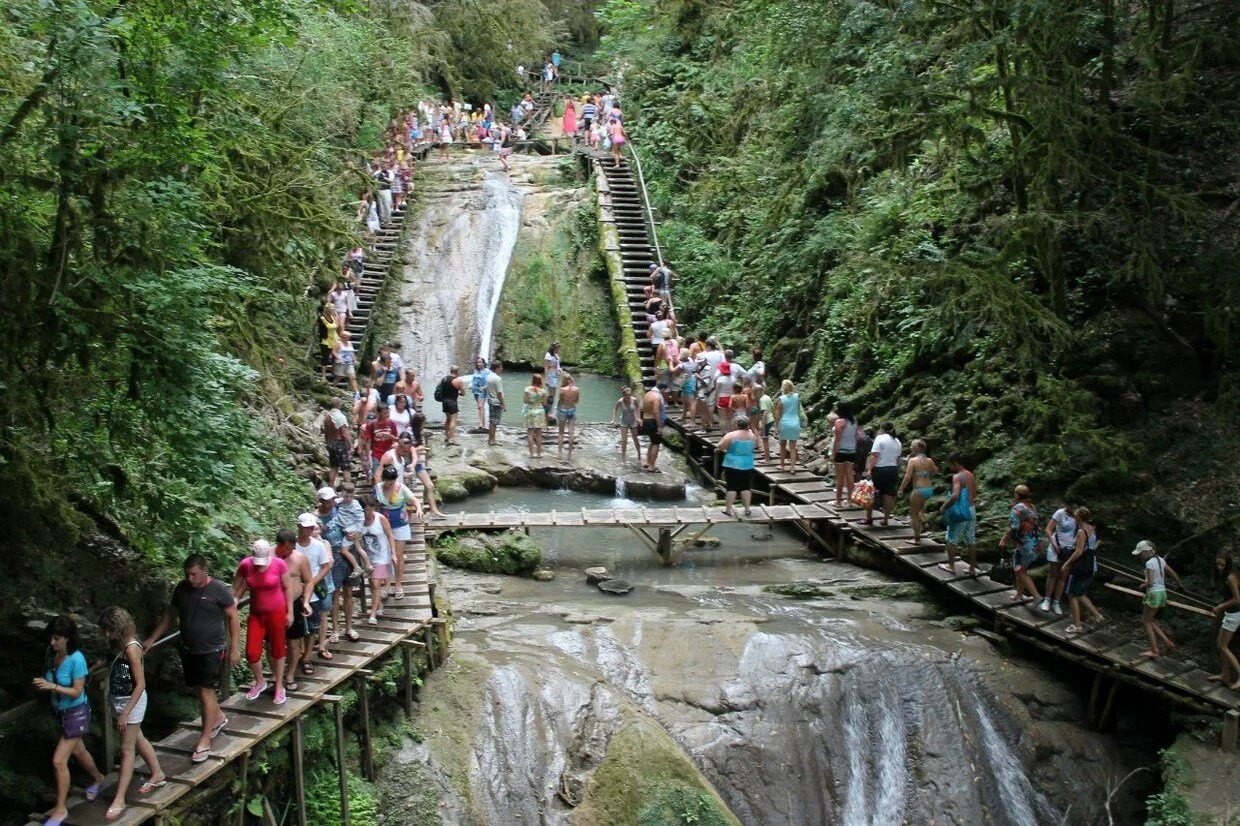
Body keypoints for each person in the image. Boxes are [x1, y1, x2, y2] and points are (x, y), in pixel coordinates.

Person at [144, 555, 239, 764]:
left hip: (211, 650)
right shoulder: (182, 589)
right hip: (188, 649)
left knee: (206, 691)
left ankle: (204, 740)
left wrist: (234, 649)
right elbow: (170, 615)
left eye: (194, 574)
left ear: (204, 571)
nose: (190, 578)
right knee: (197, 688)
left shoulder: (219, 590)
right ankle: (219, 717)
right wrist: (152, 639)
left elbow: (233, 618)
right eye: (187, 574)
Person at [34, 616, 106, 826]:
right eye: (51, 638)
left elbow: (76, 691)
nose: (52, 642)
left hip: (77, 714)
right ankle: (99, 778)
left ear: (68, 639)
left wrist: (52, 687)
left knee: (59, 761)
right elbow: (51, 677)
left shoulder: (77, 659)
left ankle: (60, 809)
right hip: (60, 712)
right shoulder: (51, 654)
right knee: (79, 752)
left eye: (57, 639)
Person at [97, 607, 164, 821]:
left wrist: (126, 713)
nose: (106, 634)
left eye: (109, 630)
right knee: (138, 739)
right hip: (118, 701)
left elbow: (140, 684)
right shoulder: (115, 644)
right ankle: (158, 773)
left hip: (131, 703)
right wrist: (92, 671)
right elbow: (111, 663)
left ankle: (120, 799)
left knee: (126, 750)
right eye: (104, 631)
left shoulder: (131, 648)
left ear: (119, 628)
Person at [231, 540, 290, 705]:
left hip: (277, 611)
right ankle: (260, 681)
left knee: (278, 650)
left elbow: (287, 588)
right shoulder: (245, 565)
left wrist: (290, 612)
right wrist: (234, 599)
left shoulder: (279, 564)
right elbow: (237, 584)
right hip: (256, 614)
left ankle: (279, 686)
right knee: (251, 652)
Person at [317, 488, 362, 644]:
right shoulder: (316, 518)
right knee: (335, 594)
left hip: (348, 551)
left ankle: (349, 627)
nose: (331, 503)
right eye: (327, 501)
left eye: (332, 500)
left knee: (348, 591)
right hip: (332, 557)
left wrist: (355, 533)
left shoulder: (340, 507)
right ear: (321, 501)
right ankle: (335, 629)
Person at [273, 529, 313, 693]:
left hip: (294, 604)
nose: (288, 552)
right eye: (285, 549)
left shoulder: (299, 559)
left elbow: (309, 581)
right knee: (272, 642)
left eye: (290, 548)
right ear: (278, 545)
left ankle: (290, 675)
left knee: (293, 641)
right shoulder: (268, 556)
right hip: (273, 605)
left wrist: (306, 601)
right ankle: (276, 676)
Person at [294, 513, 334, 669]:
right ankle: (298, 654)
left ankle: (307, 657)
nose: (308, 531)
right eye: (305, 528)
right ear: (299, 527)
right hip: (295, 592)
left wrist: (312, 582)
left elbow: (325, 566)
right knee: (296, 627)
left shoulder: (318, 546)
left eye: (311, 528)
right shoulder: (293, 546)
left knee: (311, 627)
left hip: (314, 592)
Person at [375, 464, 421, 598]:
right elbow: (372, 505)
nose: (391, 484)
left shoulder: (401, 488)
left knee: (399, 555)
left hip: (400, 524)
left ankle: (398, 585)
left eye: (393, 481)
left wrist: (418, 508)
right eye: (388, 482)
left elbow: (414, 500)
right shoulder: (377, 489)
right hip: (383, 525)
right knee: (385, 555)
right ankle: (386, 584)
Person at [1134, 540, 1183, 659]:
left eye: (1141, 553)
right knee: (1150, 620)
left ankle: (1154, 651)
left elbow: (1150, 582)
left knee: (1146, 621)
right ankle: (1167, 642)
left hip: (1153, 594)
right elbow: (1173, 573)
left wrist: (1142, 585)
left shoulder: (1149, 563)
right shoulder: (1161, 560)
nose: (1140, 555)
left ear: (1148, 551)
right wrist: (1179, 585)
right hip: (1162, 593)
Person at [1062, 506, 1104, 634]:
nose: (1074, 518)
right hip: (1090, 565)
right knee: (1079, 593)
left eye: (1075, 516)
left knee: (1072, 594)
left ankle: (1077, 625)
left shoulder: (1081, 532)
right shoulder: (1091, 529)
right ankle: (1097, 616)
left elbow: (1079, 552)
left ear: (1078, 517)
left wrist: (1066, 564)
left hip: (1080, 567)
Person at [1000, 485, 1043, 604]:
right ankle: (1019, 594)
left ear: (1017, 495)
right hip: (1034, 542)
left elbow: (1014, 527)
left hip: (1024, 543)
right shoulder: (1032, 507)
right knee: (1019, 567)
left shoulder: (1018, 508)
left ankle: (1037, 596)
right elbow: (1037, 525)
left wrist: (1006, 540)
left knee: (1020, 571)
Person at [938, 454, 978, 576]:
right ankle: (972, 568)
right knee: (971, 538)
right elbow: (974, 492)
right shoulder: (970, 474)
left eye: (949, 464)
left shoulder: (957, 476)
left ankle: (951, 566)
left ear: (955, 463)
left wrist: (944, 507)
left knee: (952, 538)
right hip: (971, 509)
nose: (948, 467)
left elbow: (955, 495)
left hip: (961, 511)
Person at [1039, 498, 1079, 615]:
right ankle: (1047, 600)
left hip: (1069, 550)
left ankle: (1056, 602)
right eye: (1073, 507)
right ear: (1068, 506)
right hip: (1056, 546)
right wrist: (1055, 546)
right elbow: (1048, 530)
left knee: (1063, 576)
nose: (1074, 509)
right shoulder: (1060, 513)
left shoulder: (1078, 516)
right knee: (1053, 574)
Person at [361, 497, 397, 624]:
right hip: (367, 559)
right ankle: (380, 605)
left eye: (371, 510)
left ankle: (372, 614)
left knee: (376, 584)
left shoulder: (380, 518)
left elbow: (390, 535)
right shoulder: (359, 521)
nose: (368, 513)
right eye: (366, 510)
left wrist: (393, 553)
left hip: (382, 556)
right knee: (372, 584)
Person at [897, 439, 937, 544]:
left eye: (911, 446)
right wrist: (926, 475)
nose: (910, 447)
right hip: (928, 489)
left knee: (913, 514)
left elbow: (907, 477)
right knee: (919, 508)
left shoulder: (912, 461)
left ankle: (916, 539)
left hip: (918, 489)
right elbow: (936, 471)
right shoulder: (929, 460)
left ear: (916, 448)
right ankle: (924, 523)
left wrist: (901, 488)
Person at [863, 422, 902, 526]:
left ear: (881, 429)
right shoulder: (897, 441)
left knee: (871, 492)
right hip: (893, 469)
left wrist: (869, 470)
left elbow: (874, 455)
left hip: (880, 469)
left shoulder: (880, 438)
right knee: (889, 494)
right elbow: (898, 459)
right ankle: (885, 519)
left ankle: (869, 518)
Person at [1210, 553, 1240, 688]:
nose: (1220, 567)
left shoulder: (1230, 577)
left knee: (1223, 646)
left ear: (1228, 564)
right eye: (1218, 564)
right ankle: (1225, 674)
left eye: (1222, 565)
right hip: (1230, 614)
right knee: (1220, 645)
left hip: (1234, 614)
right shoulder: (1224, 577)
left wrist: (1221, 606)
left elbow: (1237, 599)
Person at [718, 416, 756, 517]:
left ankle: (728, 509)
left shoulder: (731, 435)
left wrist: (726, 450)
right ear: (747, 425)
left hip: (732, 463)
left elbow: (721, 446)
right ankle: (747, 509)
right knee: (746, 487)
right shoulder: (752, 435)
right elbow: (756, 445)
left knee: (731, 487)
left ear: (736, 425)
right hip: (747, 464)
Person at [773, 379, 807, 474]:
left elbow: (779, 414)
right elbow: (798, 410)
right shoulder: (797, 397)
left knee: (782, 445)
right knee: (793, 447)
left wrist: (776, 427)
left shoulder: (781, 399)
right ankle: (792, 467)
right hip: (795, 423)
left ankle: (782, 465)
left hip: (785, 423)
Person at [359, 403, 398, 480]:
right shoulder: (371, 425)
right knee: (376, 476)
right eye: (385, 413)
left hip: (389, 454)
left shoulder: (391, 423)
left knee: (390, 476)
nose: (387, 415)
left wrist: (390, 437)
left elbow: (397, 439)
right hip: (376, 454)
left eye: (388, 412)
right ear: (378, 413)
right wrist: (368, 456)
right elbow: (368, 441)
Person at [832, 401, 859, 506]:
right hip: (852, 450)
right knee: (850, 476)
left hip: (841, 451)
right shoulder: (854, 421)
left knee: (840, 477)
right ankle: (849, 501)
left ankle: (838, 501)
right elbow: (856, 437)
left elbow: (837, 439)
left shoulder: (839, 422)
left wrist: (833, 454)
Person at [322, 400, 351, 487]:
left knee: (333, 466)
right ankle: (348, 487)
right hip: (339, 443)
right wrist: (351, 445)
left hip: (330, 442)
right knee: (346, 467)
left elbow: (326, 433)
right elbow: (345, 433)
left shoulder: (327, 417)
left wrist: (327, 443)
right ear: (339, 405)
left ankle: (331, 486)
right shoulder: (340, 417)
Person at [611, 385, 642, 464]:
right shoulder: (620, 401)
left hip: (633, 421)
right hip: (623, 422)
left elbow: (638, 407)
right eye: (627, 395)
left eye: (630, 395)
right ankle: (623, 458)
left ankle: (639, 455)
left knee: (635, 439)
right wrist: (613, 419)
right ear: (624, 395)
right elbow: (615, 409)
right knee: (624, 441)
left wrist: (638, 417)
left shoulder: (634, 400)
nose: (629, 397)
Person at [436, 366, 464, 445]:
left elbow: (438, 387)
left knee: (448, 419)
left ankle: (447, 436)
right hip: (452, 402)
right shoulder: (458, 381)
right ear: (457, 372)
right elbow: (463, 393)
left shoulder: (444, 379)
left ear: (450, 370)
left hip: (444, 401)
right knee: (453, 420)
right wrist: (458, 392)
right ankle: (452, 439)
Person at [523, 374, 548, 459]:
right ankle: (539, 454)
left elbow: (525, 401)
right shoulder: (543, 391)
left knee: (530, 433)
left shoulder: (527, 389)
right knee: (539, 434)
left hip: (530, 411)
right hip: (539, 412)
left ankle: (531, 454)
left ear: (532, 380)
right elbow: (545, 403)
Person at [557, 373, 581, 462]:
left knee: (561, 433)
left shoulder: (562, 390)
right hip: (572, 411)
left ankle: (559, 453)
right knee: (571, 433)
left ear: (563, 380)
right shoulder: (577, 389)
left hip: (563, 410)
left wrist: (557, 410)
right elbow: (577, 401)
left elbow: (560, 401)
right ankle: (569, 454)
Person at [641, 385, 664, 472]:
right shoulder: (657, 397)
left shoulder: (647, 394)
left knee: (652, 441)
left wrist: (642, 419)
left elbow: (643, 408)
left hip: (646, 420)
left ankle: (648, 462)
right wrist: (659, 427)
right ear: (661, 389)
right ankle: (651, 466)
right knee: (656, 443)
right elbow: (656, 412)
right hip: (652, 421)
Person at [485, 360, 505, 446]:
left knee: (491, 421)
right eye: (501, 367)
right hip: (496, 401)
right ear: (497, 368)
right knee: (494, 422)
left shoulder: (488, 376)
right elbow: (499, 393)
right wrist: (503, 404)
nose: (502, 368)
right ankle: (492, 440)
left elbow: (487, 388)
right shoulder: (497, 378)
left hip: (490, 401)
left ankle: (490, 439)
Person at [318, 304, 339, 378]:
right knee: (325, 357)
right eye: (332, 308)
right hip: (325, 340)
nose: (333, 309)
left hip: (334, 340)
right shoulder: (322, 318)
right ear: (328, 309)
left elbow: (337, 326)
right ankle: (323, 375)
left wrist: (336, 315)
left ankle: (333, 371)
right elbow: (317, 325)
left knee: (334, 357)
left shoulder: (333, 317)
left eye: (334, 308)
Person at [470, 358, 491, 426]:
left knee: (480, 406)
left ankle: (481, 423)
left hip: (482, 391)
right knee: (480, 407)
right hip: (475, 391)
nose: (478, 363)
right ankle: (483, 422)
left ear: (483, 363)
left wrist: (485, 387)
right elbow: (473, 380)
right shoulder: (475, 371)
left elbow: (491, 381)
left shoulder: (487, 371)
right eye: (477, 362)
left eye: (480, 362)